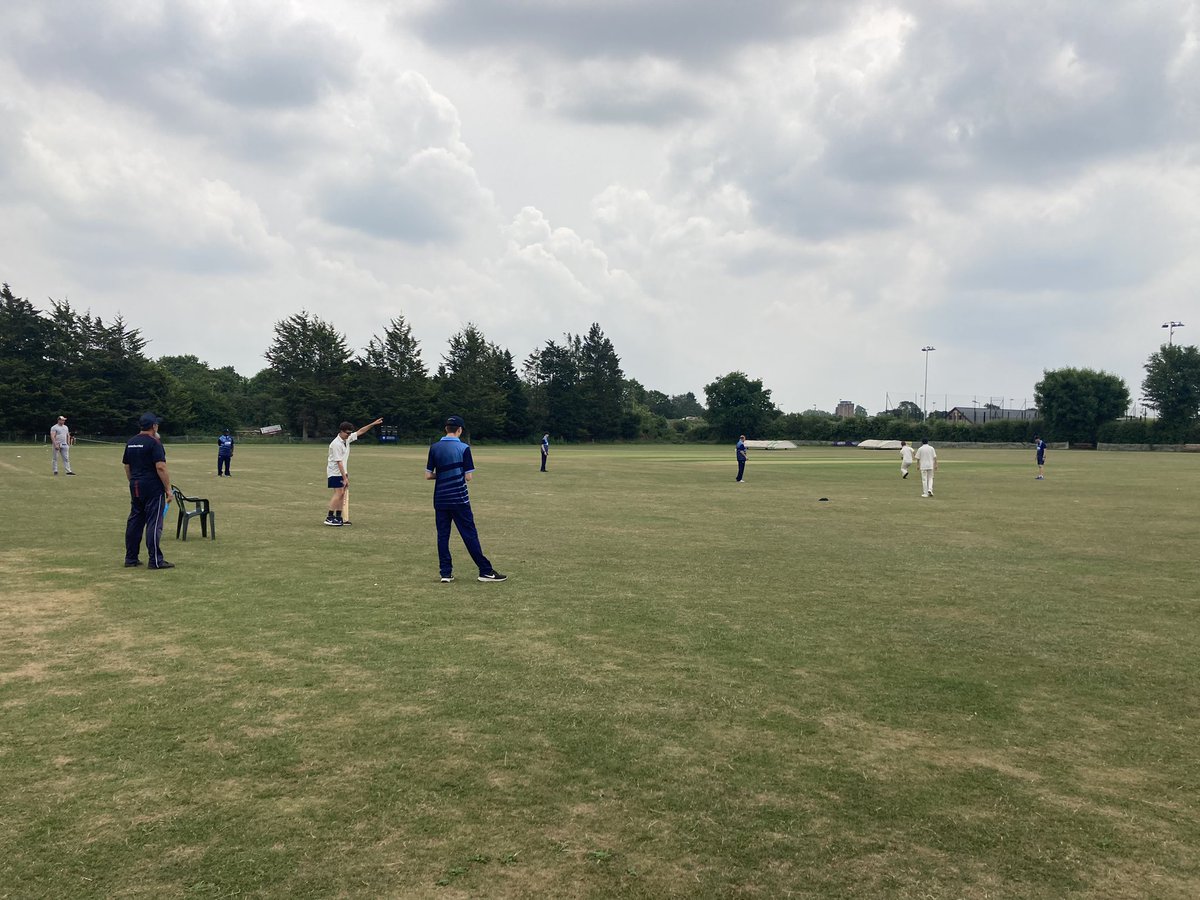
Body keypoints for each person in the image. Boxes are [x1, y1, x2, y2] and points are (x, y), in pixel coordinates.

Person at [425, 415, 507, 583]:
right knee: (469, 534)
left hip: (440, 498)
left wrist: (442, 475)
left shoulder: (434, 447)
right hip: (459, 499)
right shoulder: (464, 448)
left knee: (443, 536)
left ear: (445, 429)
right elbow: (468, 477)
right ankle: (485, 570)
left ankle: (445, 573)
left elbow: (428, 475)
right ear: (460, 430)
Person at [123, 412, 173, 569]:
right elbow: (160, 466)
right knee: (154, 522)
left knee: (135, 521)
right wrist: (168, 489)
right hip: (152, 487)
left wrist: (133, 481)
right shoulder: (154, 442)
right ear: (154, 426)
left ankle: (131, 558)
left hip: (136, 485)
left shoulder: (131, 442)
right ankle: (155, 560)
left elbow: (127, 466)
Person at [325, 417, 383, 526]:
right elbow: (339, 462)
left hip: (342, 472)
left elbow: (360, 431)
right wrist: (345, 478)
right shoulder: (336, 444)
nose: (349, 435)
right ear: (341, 431)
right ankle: (329, 517)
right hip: (335, 472)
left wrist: (373, 424)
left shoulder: (346, 439)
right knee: (338, 493)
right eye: (347, 433)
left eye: (350, 433)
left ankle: (338, 517)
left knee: (342, 494)